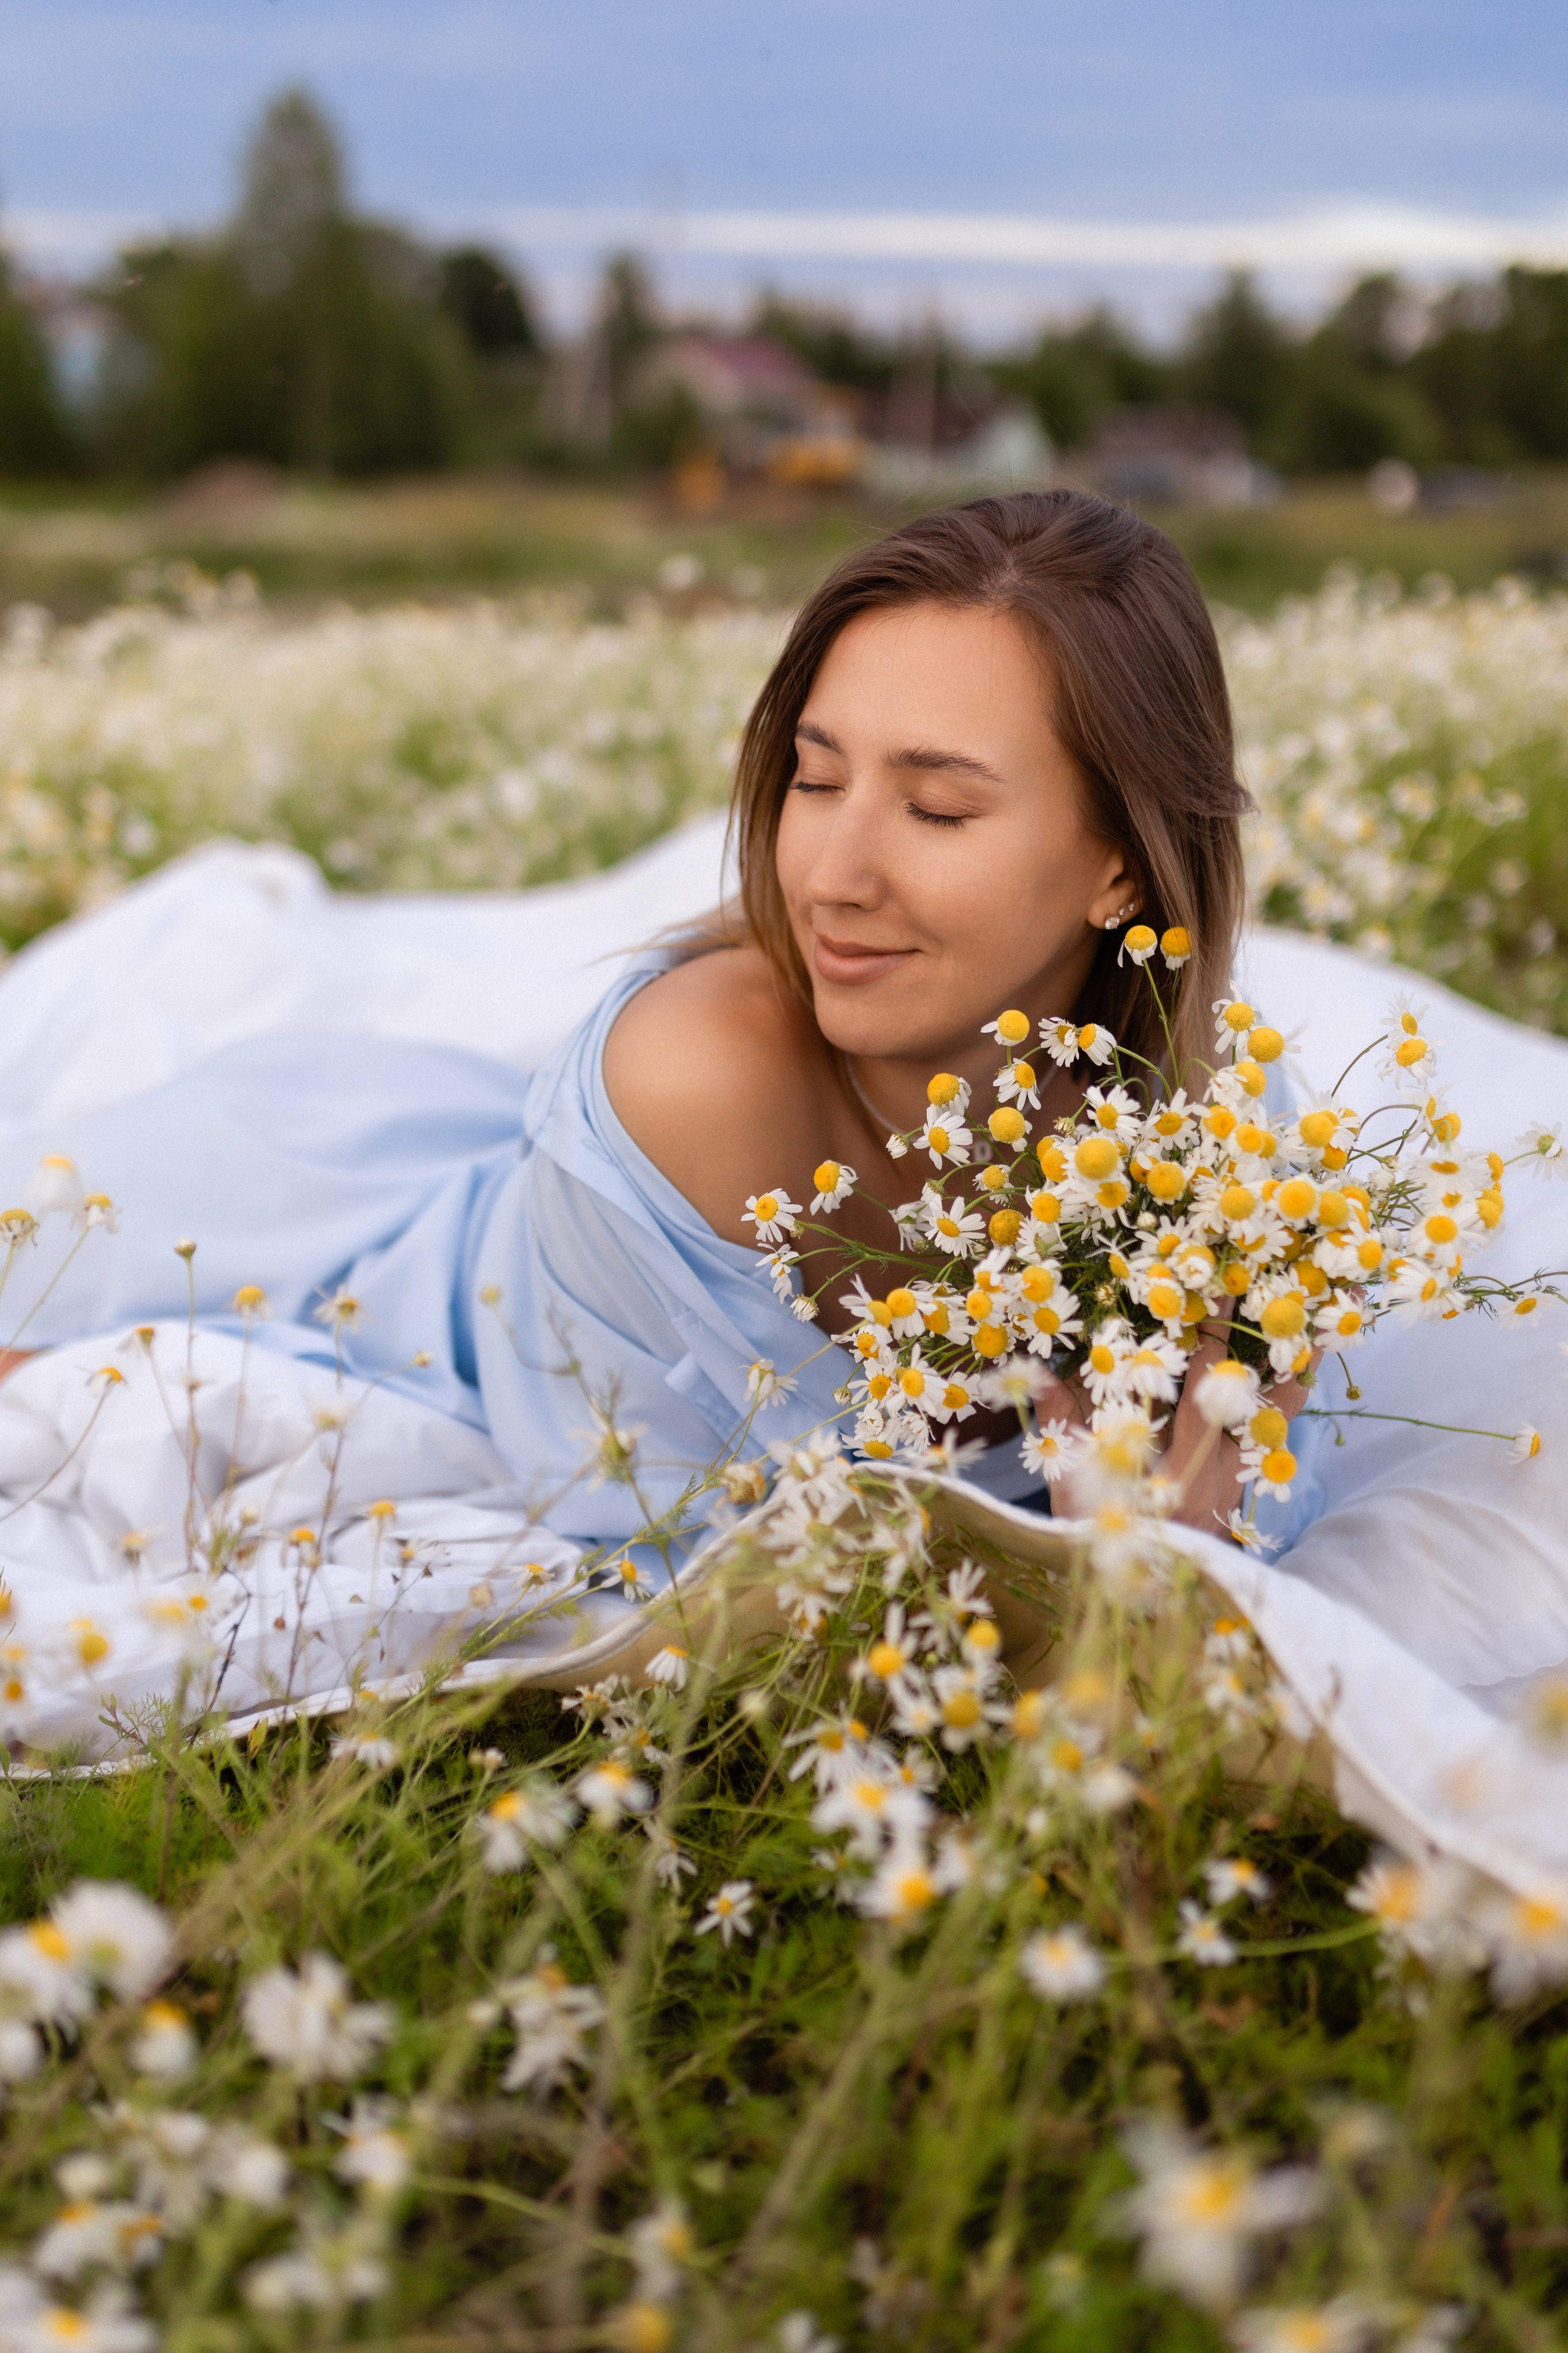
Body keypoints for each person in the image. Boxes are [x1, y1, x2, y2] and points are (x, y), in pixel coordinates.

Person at [2, 488, 1568, 1904]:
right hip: (339, 1244)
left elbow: (1210, 1540)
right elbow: (705, 1571)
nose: (830, 871)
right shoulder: (698, 1080)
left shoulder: (1203, 1134)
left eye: (936, 808)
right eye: (815, 780)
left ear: (1113, 869)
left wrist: (1170, 1501)